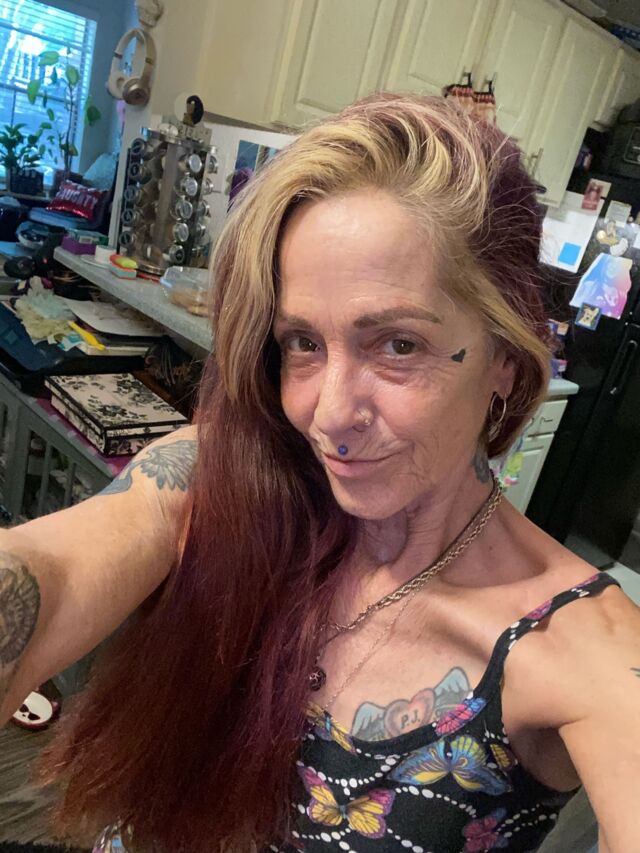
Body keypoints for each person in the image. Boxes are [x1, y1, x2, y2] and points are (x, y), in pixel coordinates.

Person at [0, 94, 638, 853]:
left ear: (504, 355)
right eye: (303, 342)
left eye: (398, 345)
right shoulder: (234, 477)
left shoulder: (580, 651)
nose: (330, 414)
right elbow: (55, 572)